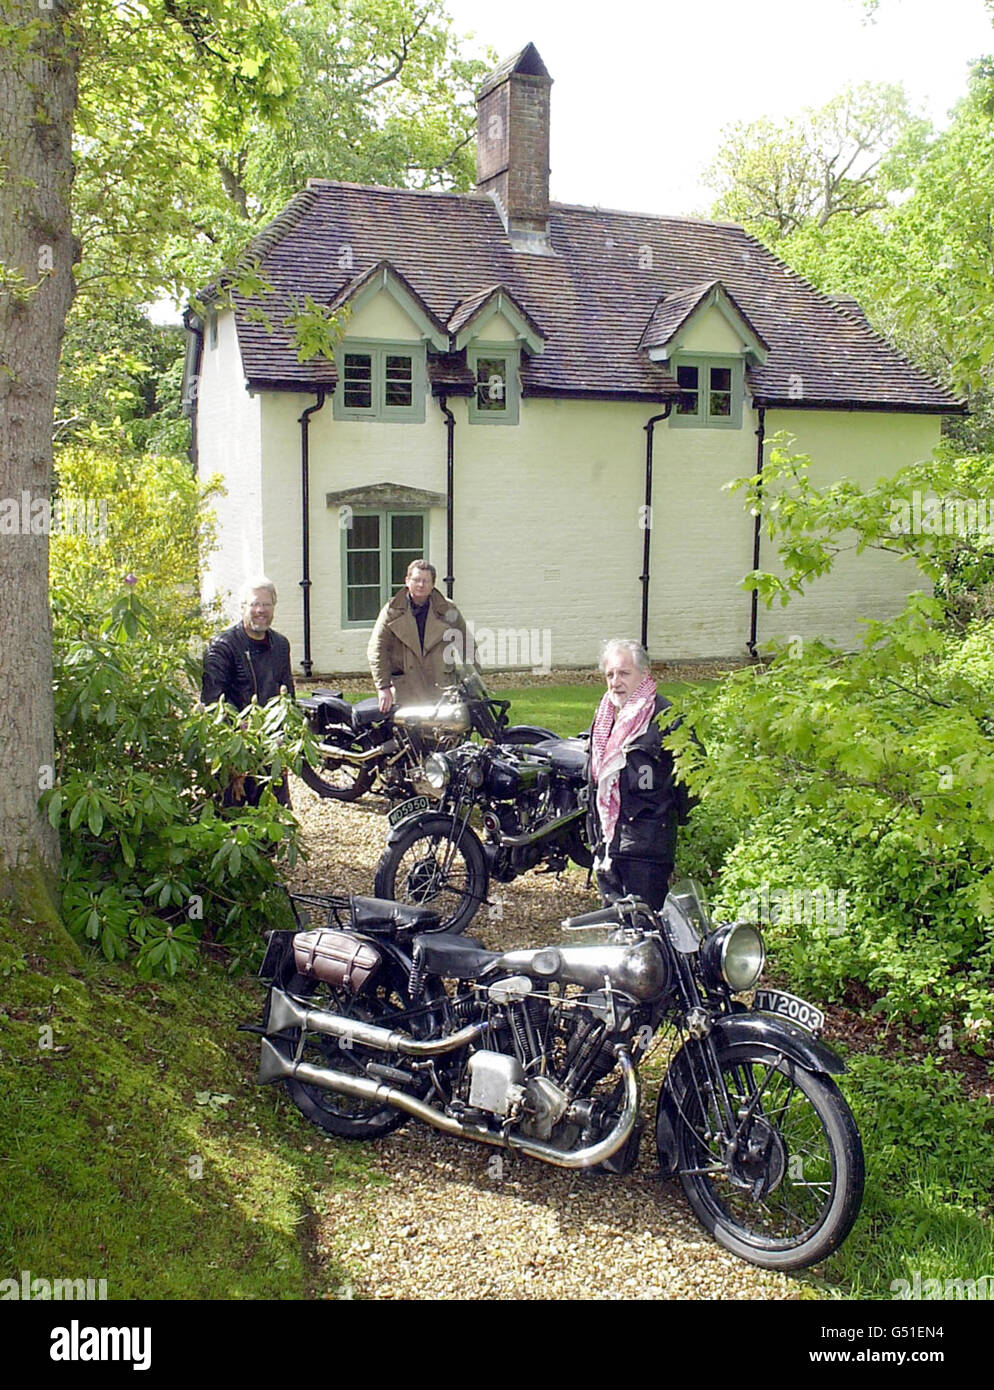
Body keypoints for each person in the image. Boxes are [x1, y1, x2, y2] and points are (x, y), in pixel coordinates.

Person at [587, 638, 691, 910]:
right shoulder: (605, 717)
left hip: (647, 851)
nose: (615, 681)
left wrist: (664, 816)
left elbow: (692, 780)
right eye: (610, 674)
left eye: (623, 673)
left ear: (644, 674)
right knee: (615, 929)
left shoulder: (666, 717)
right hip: (608, 844)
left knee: (647, 930)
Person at [201, 578, 295, 805]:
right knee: (232, 821)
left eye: (267, 604)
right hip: (236, 748)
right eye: (254, 604)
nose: (260, 610)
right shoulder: (222, 647)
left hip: (271, 747)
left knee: (271, 818)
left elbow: (288, 697)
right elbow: (213, 705)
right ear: (242, 607)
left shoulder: (281, 645)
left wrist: (287, 744)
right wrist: (233, 757)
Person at [367, 559, 467, 714]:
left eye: (426, 581)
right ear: (407, 581)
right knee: (408, 734)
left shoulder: (448, 609)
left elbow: (466, 643)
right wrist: (383, 687)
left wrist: (471, 682)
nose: (421, 585)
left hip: (441, 684)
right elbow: (377, 649)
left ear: (433, 584)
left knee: (448, 732)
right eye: (416, 580)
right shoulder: (391, 611)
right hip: (406, 686)